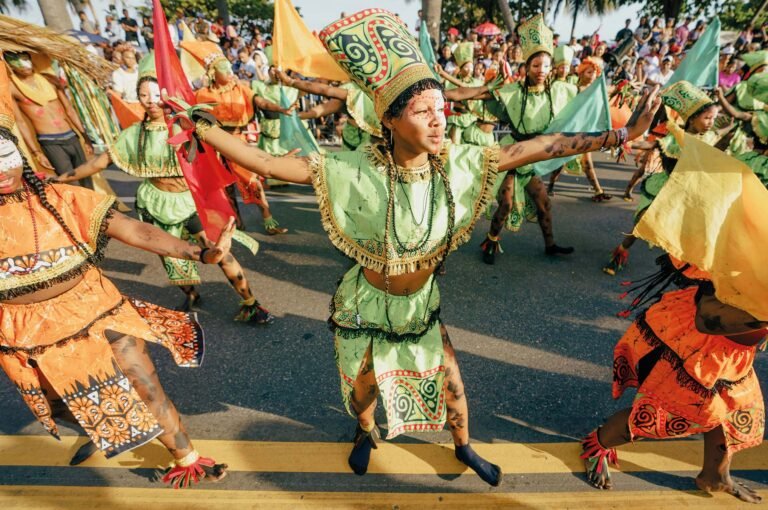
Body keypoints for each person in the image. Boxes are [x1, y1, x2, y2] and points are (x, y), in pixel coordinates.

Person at [163, 8, 659, 484]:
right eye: (424, 111)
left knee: (452, 383)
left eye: (442, 109)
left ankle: (463, 444)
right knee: (363, 388)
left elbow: (541, 145)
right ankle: (364, 430)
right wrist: (200, 126)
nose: (440, 120)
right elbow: (267, 164)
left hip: (420, 304)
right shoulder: (351, 169)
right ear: (392, 120)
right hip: (365, 303)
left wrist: (618, 134)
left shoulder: (460, 164)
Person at [0, 108, 230, 486]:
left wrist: (199, 253)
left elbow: (135, 230)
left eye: (5, 158)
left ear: (19, 156)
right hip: (23, 331)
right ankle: (106, 422)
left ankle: (186, 456)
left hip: (95, 310)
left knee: (142, 380)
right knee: (59, 402)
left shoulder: (62, 199)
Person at [59, 54, 273, 323]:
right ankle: (191, 292)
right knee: (168, 254)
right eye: (143, 94)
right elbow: (99, 162)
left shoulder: (187, 125)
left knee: (218, 250)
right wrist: (62, 178)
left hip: (189, 202)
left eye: (155, 93)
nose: (150, 100)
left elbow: (227, 146)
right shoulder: (133, 135)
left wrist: (268, 161)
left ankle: (250, 302)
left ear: (166, 94)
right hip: (155, 203)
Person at [583, 258, 766, 501]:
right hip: (695, 348)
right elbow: (706, 317)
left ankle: (714, 475)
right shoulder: (747, 256)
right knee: (668, 414)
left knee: (735, 412)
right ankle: (599, 442)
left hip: (729, 357)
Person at [445, 14, 579, 263]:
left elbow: (586, 100)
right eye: (536, 66)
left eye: (546, 66)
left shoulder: (559, 92)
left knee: (544, 203)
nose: (541, 71)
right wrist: (438, 92)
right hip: (511, 153)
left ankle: (550, 245)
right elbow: (471, 93)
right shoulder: (513, 91)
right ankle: (491, 242)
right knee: (505, 204)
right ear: (526, 67)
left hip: (533, 155)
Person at [605, 82, 720, 275]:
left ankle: (685, 269)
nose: (710, 122)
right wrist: (620, 141)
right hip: (665, 188)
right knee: (642, 223)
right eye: (707, 118)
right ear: (691, 120)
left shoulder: (710, 139)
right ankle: (621, 252)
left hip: (690, 192)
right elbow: (649, 145)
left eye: (713, 119)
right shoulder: (674, 138)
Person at [180, 41, 291, 235]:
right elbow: (187, 115)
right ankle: (236, 225)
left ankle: (269, 221)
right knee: (225, 187)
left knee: (252, 181)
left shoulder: (241, 89)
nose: (230, 71)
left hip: (238, 142)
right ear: (213, 73)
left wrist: (280, 108)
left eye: (230, 67)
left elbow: (260, 101)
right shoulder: (202, 95)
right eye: (224, 69)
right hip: (214, 145)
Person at [6, 51, 93, 188]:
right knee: (70, 182)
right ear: (11, 65)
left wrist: (85, 137)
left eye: (26, 59)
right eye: (18, 62)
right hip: (50, 141)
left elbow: (69, 109)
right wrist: (37, 152)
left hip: (71, 136)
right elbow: (20, 122)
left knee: (87, 180)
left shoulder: (48, 79)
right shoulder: (13, 88)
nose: (25, 65)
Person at [547, 58, 612, 201]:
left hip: (585, 131)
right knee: (561, 161)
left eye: (595, 72)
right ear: (581, 73)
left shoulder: (595, 91)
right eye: (589, 72)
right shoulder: (574, 88)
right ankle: (550, 184)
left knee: (587, 162)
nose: (593, 75)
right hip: (571, 130)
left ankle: (598, 191)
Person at [274, 69, 382, 151]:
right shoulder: (363, 85)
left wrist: (291, 82)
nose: (318, 80)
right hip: (366, 138)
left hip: (361, 140)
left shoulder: (350, 88)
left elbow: (324, 98)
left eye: (320, 78)